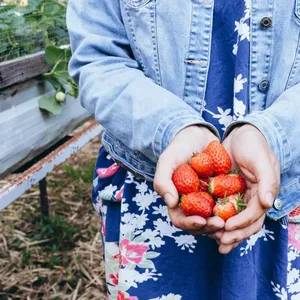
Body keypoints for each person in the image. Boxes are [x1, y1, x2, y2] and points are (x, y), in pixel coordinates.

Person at [67, 0, 300, 299]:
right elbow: (97, 59)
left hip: (287, 187)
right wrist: (172, 129)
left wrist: (273, 135)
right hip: (150, 187)